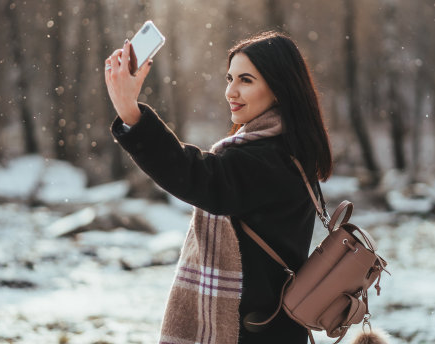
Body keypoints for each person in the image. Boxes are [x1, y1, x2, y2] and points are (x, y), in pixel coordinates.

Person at [104, 31, 332, 344]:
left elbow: (198, 177)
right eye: (230, 78)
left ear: (279, 90)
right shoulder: (287, 149)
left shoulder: (271, 158)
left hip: (252, 332)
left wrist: (131, 112)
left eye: (246, 80)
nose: (231, 91)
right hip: (272, 327)